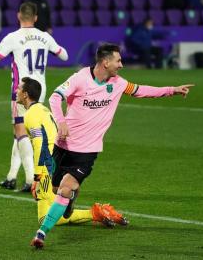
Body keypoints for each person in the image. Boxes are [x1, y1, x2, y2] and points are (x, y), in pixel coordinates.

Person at [30, 43, 194, 249]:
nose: (121, 65)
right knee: (57, 188)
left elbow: (141, 90)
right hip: (64, 146)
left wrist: (172, 90)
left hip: (88, 150)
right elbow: (55, 97)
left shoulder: (117, 83)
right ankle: (70, 199)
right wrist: (61, 121)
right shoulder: (80, 78)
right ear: (105, 62)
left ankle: (41, 233)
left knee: (65, 188)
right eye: (118, 60)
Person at [0, 2, 68, 192]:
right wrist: (51, 47)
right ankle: (11, 176)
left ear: (18, 16)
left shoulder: (13, 38)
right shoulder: (45, 37)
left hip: (22, 91)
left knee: (21, 133)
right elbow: (65, 56)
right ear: (36, 17)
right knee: (21, 134)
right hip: (40, 89)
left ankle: (30, 180)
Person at [16, 77, 128, 230]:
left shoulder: (30, 115)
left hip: (47, 165)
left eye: (19, 88)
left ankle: (96, 213)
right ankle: (94, 212)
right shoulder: (42, 109)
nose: (16, 90)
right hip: (55, 158)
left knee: (51, 217)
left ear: (25, 94)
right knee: (46, 216)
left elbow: (39, 144)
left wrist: (37, 177)